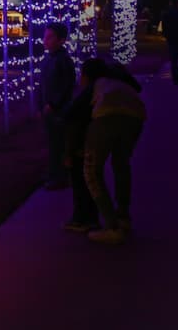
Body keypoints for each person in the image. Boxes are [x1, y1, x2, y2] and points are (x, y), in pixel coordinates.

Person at [85, 60, 147, 245]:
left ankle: (111, 226)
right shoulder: (120, 81)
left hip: (107, 116)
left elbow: (75, 112)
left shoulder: (98, 84)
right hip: (136, 117)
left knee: (91, 171)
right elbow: (137, 89)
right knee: (121, 164)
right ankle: (123, 217)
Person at [61, 58, 103, 232]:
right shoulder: (99, 91)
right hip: (94, 143)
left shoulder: (85, 97)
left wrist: (69, 153)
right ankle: (92, 218)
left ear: (86, 76)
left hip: (82, 146)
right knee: (91, 181)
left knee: (81, 183)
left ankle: (81, 219)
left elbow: (72, 122)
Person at [39, 21, 76, 188]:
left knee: (59, 144)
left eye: (50, 37)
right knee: (52, 143)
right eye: (45, 36)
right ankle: (53, 173)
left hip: (59, 111)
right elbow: (43, 84)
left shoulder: (63, 60)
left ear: (61, 40)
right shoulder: (49, 59)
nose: (46, 40)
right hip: (49, 109)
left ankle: (59, 177)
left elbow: (66, 85)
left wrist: (53, 104)